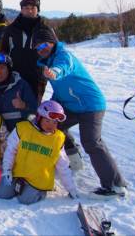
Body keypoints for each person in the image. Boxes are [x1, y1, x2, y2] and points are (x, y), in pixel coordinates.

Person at [34, 31, 127, 198]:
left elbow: (63, 67)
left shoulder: (63, 56)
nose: (40, 49)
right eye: (37, 47)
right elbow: (60, 91)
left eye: (43, 44)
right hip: (72, 106)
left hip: (91, 105)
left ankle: (115, 185)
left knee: (91, 141)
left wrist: (55, 72)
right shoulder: (47, 62)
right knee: (53, 125)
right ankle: (73, 157)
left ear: (53, 42)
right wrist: (49, 108)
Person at [0, 100, 78, 205]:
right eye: (47, 121)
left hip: (38, 179)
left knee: (25, 200)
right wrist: (7, 170)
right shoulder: (23, 128)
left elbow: (63, 166)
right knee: (2, 194)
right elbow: (10, 151)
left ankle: (41, 191)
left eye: (55, 122)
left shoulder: (58, 138)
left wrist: (71, 189)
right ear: (39, 118)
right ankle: (22, 187)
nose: (51, 125)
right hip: (18, 173)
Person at [0, 0, 57, 103]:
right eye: (26, 8)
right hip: (14, 75)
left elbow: (54, 50)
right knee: (13, 105)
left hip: (37, 76)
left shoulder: (46, 29)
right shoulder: (11, 29)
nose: (29, 11)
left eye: (33, 8)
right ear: (21, 10)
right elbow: (3, 51)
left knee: (33, 109)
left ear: (38, 10)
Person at [0, 53, 37, 132]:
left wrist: (24, 105)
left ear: (9, 69)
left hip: (17, 136)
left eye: (2, 68)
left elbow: (35, 110)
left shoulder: (21, 85)